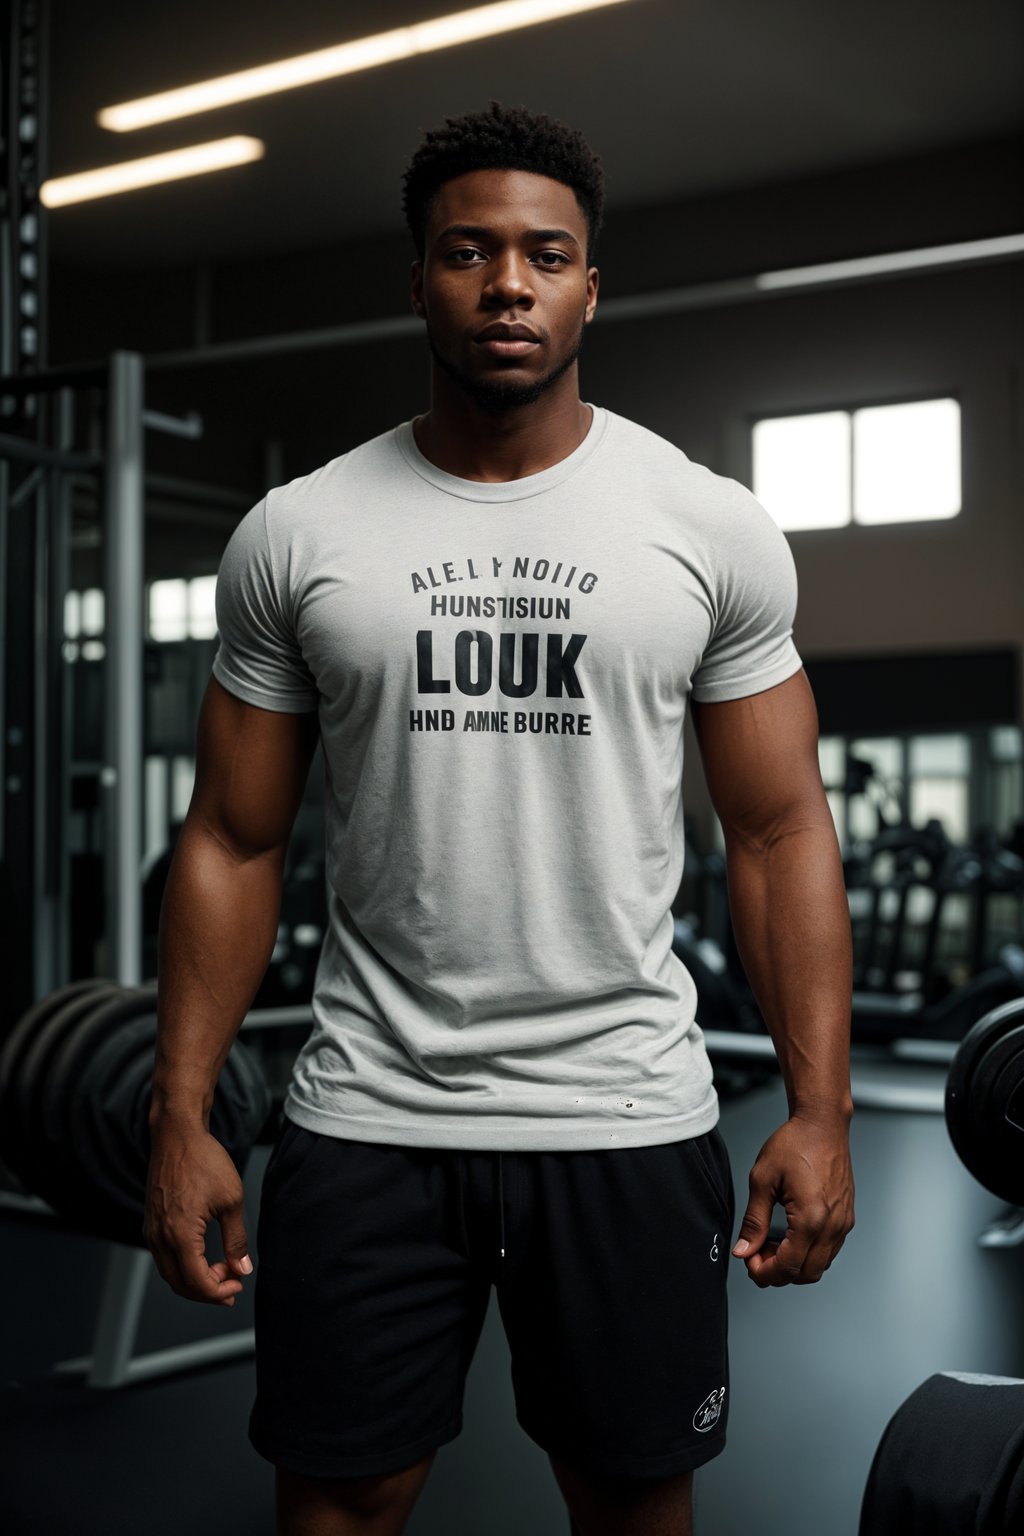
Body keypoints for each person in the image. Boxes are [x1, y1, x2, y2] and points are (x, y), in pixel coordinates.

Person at [144, 102, 856, 1536]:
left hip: (626, 1112)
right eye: (470, 252)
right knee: (338, 1504)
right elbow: (230, 837)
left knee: (634, 1501)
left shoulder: (704, 524)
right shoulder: (302, 531)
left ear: (595, 282)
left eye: (547, 254)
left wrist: (824, 1110)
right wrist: (181, 1113)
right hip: (366, 1113)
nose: (509, 284)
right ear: (419, 280)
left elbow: (780, 833)